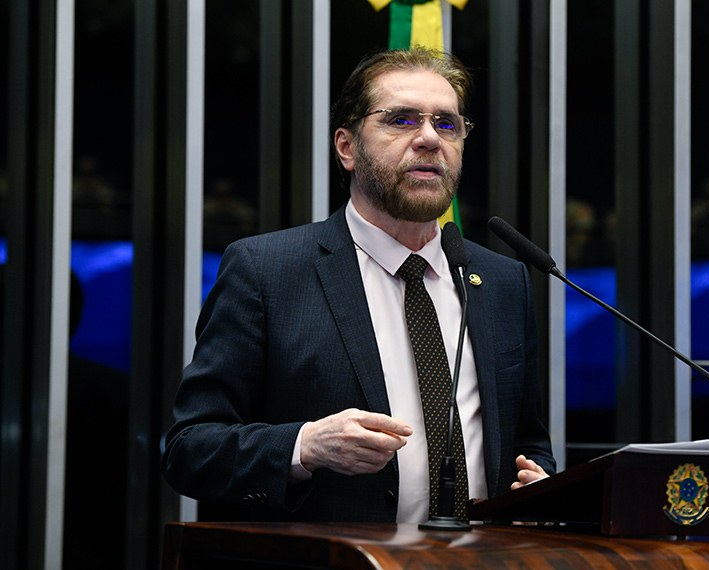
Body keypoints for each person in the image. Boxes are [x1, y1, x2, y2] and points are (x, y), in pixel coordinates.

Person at [162, 47, 555, 524]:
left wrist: (537, 484)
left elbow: (527, 441)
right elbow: (190, 450)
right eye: (402, 120)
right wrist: (305, 446)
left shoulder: (500, 281)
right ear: (347, 147)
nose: (430, 139)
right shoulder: (267, 270)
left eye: (447, 124)